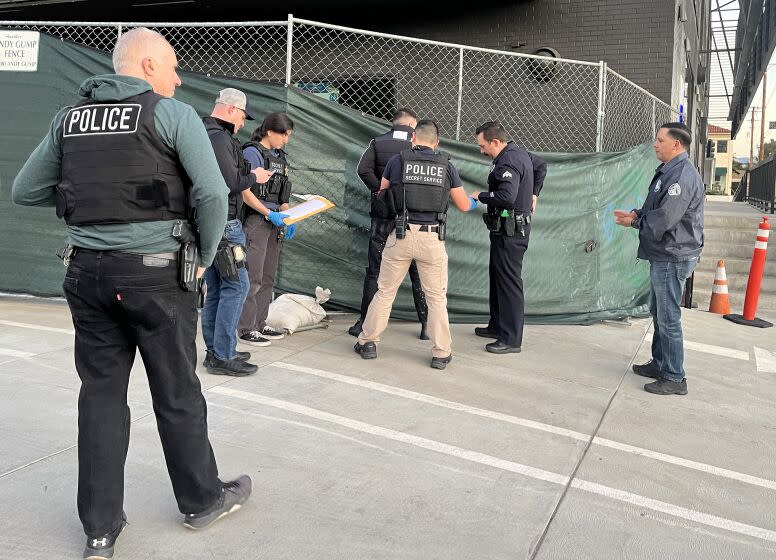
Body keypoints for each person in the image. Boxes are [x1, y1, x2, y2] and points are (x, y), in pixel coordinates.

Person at [11, 27, 251, 560]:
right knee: (177, 393)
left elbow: (24, 189)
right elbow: (212, 192)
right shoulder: (172, 114)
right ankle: (202, 500)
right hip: (156, 278)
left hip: (86, 275)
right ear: (145, 66)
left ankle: (99, 530)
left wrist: (90, 195)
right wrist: (206, 257)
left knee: (100, 396)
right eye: (171, 67)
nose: (177, 77)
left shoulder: (68, 119)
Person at [354, 120, 477, 369]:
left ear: (413, 139)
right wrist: (474, 201)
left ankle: (368, 342)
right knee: (436, 298)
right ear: (437, 142)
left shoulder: (397, 161)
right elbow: (463, 205)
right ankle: (441, 353)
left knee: (385, 292)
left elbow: (383, 193)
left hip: (400, 234)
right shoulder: (446, 165)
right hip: (432, 238)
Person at [615, 122, 704, 396]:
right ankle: (660, 363)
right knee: (659, 312)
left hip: (672, 255)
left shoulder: (681, 177)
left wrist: (634, 224)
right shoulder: (670, 172)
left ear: (676, 144)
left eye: (659, 139)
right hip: (665, 253)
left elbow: (665, 219)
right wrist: (637, 215)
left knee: (668, 317)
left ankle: (675, 377)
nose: (655, 144)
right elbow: (655, 208)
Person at [200, 88, 273, 375]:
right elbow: (230, 181)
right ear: (231, 109)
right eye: (243, 116)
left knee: (218, 288)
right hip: (225, 223)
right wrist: (255, 176)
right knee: (238, 285)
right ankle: (222, 355)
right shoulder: (219, 137)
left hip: (211, 221)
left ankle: (217, 350)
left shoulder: (204, 132)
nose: (243, 123)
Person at [350, 108, 430, 340]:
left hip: (383, 217)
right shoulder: (420, 145)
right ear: (413, 125)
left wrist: (380, 190)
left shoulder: (378, 142)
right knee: (418, 273)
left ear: (393, 123)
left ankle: (364, 323)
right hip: (415, 218)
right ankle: (426, 325)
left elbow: (362, 169)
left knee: (375, 271)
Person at [471, 122, 536, 355]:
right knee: (497, 277)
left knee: (509, 282)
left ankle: (511, 339)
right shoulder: (519, 153)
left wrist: (481, 196)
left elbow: (507, 197)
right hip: (503, 229)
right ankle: (497, 326)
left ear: (496, 142)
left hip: (511, 231)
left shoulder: (509, 160)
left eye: (483, 146)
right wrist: (534, 193)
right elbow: (540, 165)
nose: (482, 151)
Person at [237, 112, 296, 347]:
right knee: (253, 276)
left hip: (275, 222)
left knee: (268, 276)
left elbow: (283, 193)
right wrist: (267, 213)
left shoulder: (280, 157)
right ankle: (245, 328)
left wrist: (287, 215)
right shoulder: (252, 152)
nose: (286, 140)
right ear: (270, 131)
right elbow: (244, 190)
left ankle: (259, 323)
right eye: (284, 134)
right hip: (257, 220)